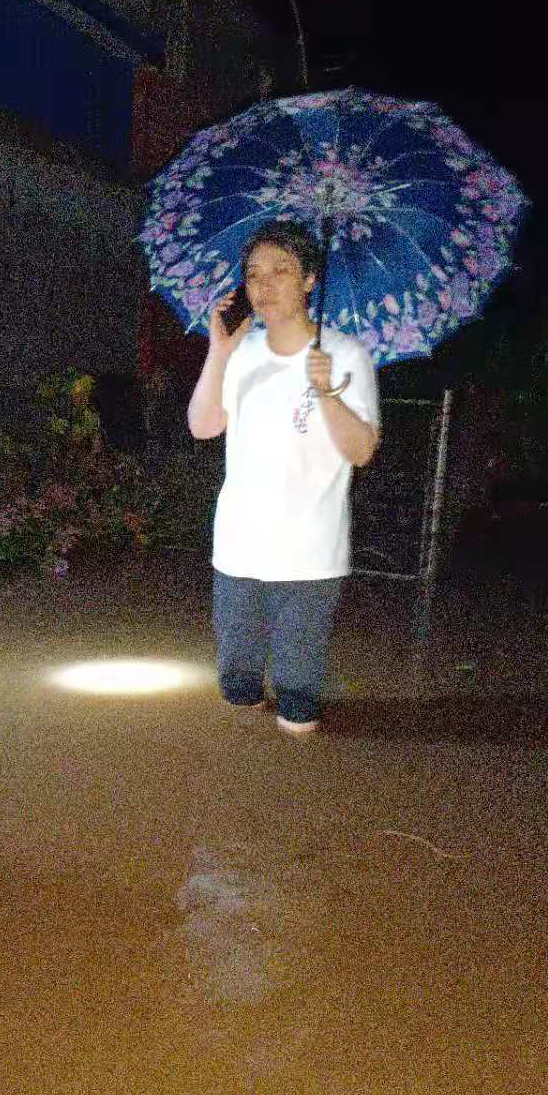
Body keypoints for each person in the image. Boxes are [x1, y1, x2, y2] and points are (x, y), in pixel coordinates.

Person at [187, 219, 380, 735]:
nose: (264, 285)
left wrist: (328, 395)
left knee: (298, 707)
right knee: (236, 693)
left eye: (280, 271)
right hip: (238, 546)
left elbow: (361, 452)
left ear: (310, 280)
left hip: (309, 551)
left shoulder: (346, 356)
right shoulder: (240, 351)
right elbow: (203, 426)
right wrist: (219, 353)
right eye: (253, 274)